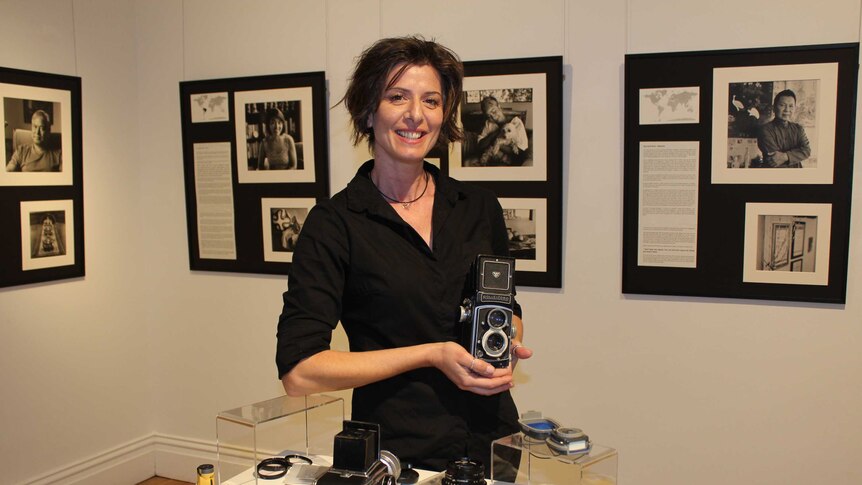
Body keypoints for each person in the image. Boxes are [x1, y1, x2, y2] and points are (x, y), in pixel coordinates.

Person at [275, 36, 532, 472]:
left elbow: (508, 309)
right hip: (400, 454)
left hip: (493, 440)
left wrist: (506, 343)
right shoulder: (335, 224)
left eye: (431, 101)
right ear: (369, 110)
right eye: (398, 97)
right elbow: (300, 372)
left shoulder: (478, 206)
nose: (416, 115)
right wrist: (432, 353)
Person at [464, 96, 528, 166]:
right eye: (489, 116)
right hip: (491, 156)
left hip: (509, 159)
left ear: (499, 106)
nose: (493, 117)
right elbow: (480, 146)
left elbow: (519, 153)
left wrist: (497, 143)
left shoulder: (516, 122)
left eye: (494, 111)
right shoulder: (488, 123)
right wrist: (497, 132)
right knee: (467, 162)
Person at [756, 89, 811, 168]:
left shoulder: (799, 129)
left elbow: (807, 150)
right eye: (782, 105)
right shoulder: (765, 130)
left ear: (795, 108)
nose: (787, 110)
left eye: (791, 106)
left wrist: (785, 156)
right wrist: (796, 155)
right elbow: (774, 159)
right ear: (774, 108)